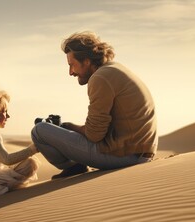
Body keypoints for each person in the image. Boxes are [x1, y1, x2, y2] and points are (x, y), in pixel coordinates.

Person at [31, 31, 158, 179]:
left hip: (128, 157)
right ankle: (78, 165)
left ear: (86, 61)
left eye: (72, 65)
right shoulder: (114, 69)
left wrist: (69, 127)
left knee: (39, 131)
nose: (71, 72)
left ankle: (75, 166)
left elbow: (94, 135)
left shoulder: (100, 78)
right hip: (139, 152)